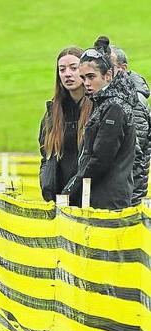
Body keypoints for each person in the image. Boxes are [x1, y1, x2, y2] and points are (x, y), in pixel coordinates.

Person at [62, 36, 137, 209]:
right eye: (83, 78)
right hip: (99, 197)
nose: (86, 83)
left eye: (91, 77)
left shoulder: (115, 107)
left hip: (108, 202)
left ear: (108, 75)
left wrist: (71, 190)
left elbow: (100, 159)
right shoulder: (104, 104)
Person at [38, 47, 92, 204]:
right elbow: (45, 156)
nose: (67, 74)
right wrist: (46, 185)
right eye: (62, 69)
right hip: (58, 200)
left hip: (89, 200)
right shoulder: (52, 112)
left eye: (73, 68)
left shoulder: (98, 109)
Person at [111, 45, 151, 205]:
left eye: (109, 66)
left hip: (125, 200)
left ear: (122, 69)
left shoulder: (134, 102)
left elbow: (133, 158)